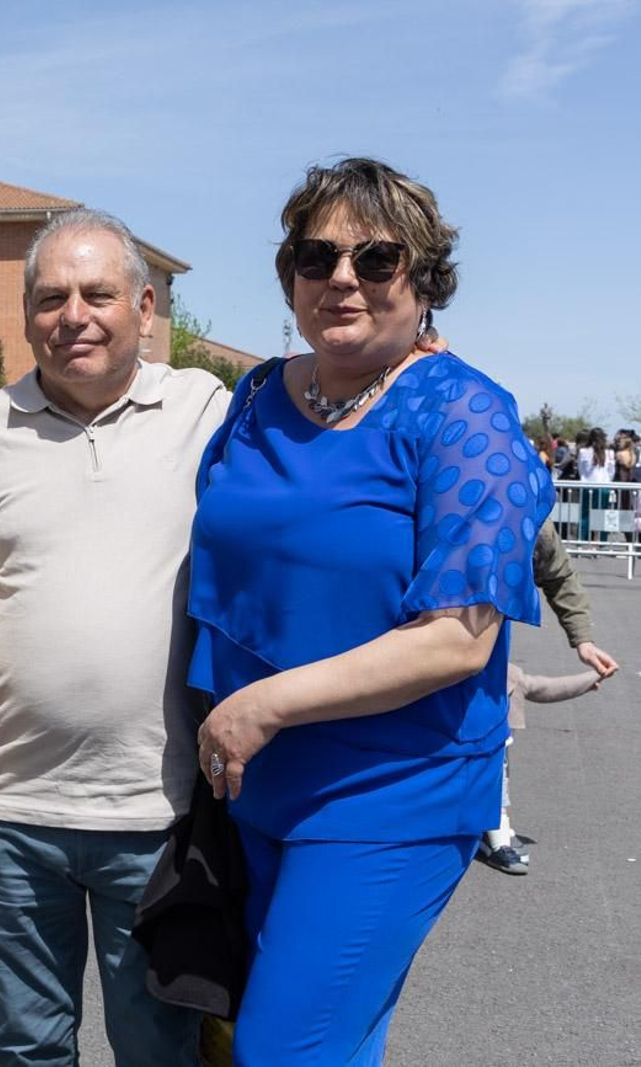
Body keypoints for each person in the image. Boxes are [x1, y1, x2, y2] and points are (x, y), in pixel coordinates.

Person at [188, 157, 553, 1065]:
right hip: (255, 783)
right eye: (317, 257)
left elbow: (456, 642)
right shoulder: (258, 395)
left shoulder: (468, 416)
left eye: (377, 258)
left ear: (424, 282)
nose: (342, 278)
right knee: (323, 1043)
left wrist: (264, 705)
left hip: (392, 789)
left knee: (281, 1048)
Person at [0, 207, 225, 1066]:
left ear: (145, 308)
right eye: (51, 297)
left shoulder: (205, 413)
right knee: (30, 1047)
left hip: (154, 811)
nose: (73, 316)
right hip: (10, 813)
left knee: (156, 1047)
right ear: (26, 315)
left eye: (98, 294)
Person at [476, 523, 622, 873]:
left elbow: (558, 573)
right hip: (415, 633)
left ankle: (496, 824)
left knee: (496, 734)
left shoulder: (528, 512)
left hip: (486, 649)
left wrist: (583, 639)